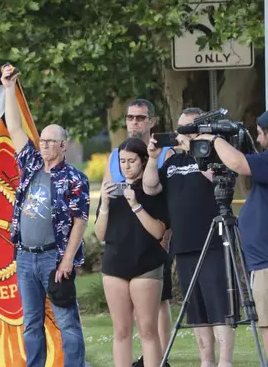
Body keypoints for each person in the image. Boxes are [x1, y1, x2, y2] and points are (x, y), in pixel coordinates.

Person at [2, 64, 88, 366]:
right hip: (25, 257)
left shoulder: (75, 178)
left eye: (51, 141)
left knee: (67, 322)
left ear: (63, 146)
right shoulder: (31, 165)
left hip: (55, 258)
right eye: (42, 139)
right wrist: (9, 88)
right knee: (31, 323)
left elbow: (80, 220)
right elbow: (14, 128)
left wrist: (67, 259)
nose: (44, 143)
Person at [143, 108, 234, 367]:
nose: (183, 133)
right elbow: (150, 188)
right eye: (180, 128)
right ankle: (206, 361)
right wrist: (153, 158)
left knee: (219, 307)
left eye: (189, 128)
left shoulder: (215, 154)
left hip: (213, 242)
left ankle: (224, 362)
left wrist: (196, 148)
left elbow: (216, 179)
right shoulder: (173, 162)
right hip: (183, 245)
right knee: (196, 310)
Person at [192, 109, 268, 358]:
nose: (258, 140)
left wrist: (214, 139)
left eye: (260, 134)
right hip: (263, 261)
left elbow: (238, 163)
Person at [102, 98, 173, 366]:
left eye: (140, 118)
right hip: (123, 243)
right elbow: (107, 198)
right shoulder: (115, 155)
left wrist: (167, 236)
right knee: (123, 328)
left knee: (159, 304)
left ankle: (161, 357)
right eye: (130, 117)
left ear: (152, 121)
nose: (134, 122)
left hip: (154, 240)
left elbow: (166, 198)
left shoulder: (164, 153)